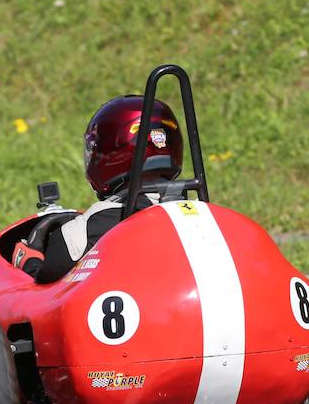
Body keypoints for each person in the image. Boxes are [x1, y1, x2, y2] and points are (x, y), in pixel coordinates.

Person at [12, 95, 185, 283]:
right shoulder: (194, 211)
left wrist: (29, 261)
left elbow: (47, 277)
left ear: (109, 152)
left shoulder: (100, 220)